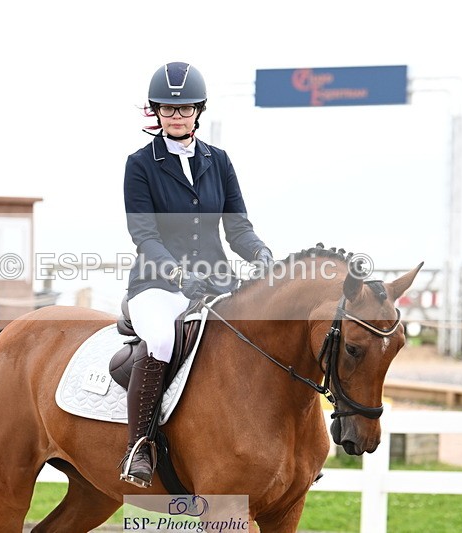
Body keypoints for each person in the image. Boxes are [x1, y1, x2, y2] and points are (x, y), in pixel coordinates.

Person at [120, 61, 274, 488]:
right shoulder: (140, 164)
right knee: (162, 340)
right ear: (155, 112)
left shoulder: (218, 161)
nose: (177, 116)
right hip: (156, 283)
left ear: (198, 111)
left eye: (185, 108)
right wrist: (177, 273)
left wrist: (260, 253)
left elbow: (237, 228)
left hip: (216, 282)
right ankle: (139, 446)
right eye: (168, 109)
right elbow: (144, 235)